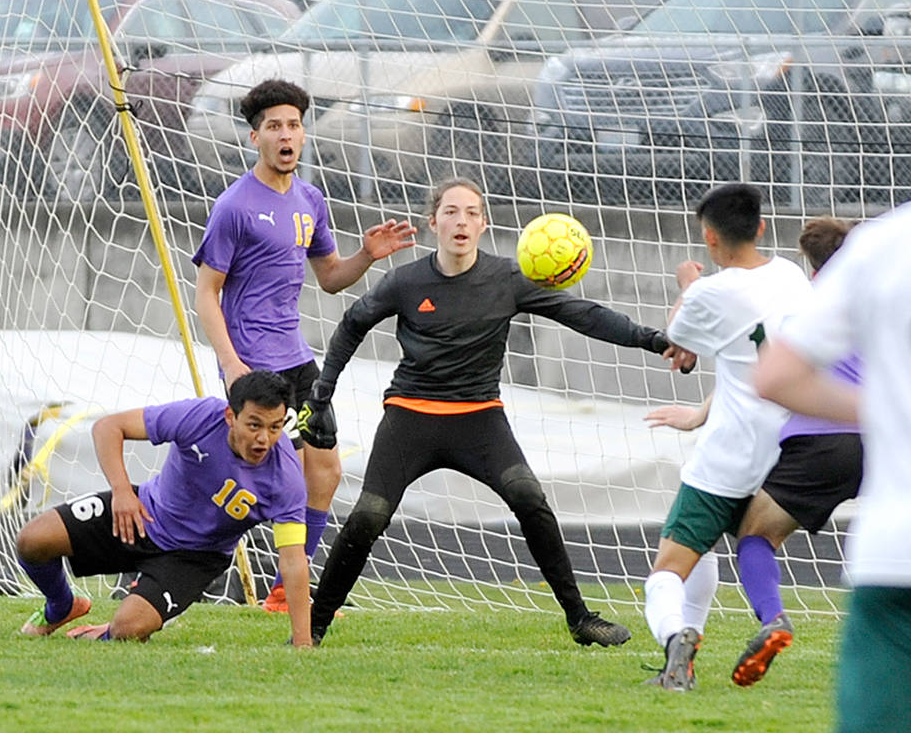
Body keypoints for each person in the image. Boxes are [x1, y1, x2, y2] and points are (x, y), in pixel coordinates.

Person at [298, 177, 690, 647]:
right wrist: (321, 396)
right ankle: (312, 628)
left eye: (471, 212)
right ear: (433, 222)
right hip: (409, 416)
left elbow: (584, 314)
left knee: (529, 498)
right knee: (369, 514)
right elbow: (351, 324)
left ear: (484, 224)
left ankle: (580, 618)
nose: (460, 221)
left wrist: (654, 339)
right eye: (450, 212)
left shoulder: (507, 278)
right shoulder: (406, 280)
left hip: (479, 418)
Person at [192, 78, 416, 613]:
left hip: (298, 362)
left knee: (325, 470)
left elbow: (331, 277)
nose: (286, 135)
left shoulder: (310, 199)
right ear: (255, 138)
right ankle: (162, 559)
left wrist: (366, 255)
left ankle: (280, 590)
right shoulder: (234, 206)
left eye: (294, 125)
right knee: (244, 479)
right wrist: (229, 364)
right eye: (274, 127)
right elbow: (206, 293)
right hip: (253, 367)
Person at [645, 217, 862, 688]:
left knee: (753, 538)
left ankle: (767, 621)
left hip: (814, 441)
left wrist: (689, 286)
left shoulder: (805, 297)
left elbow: (761, 369)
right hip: (887, 438)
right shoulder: (886, 298)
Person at [754, 209, 911, 733]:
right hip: (860, 471)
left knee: (754, 530)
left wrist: (892, 413)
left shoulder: (882, 244)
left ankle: (771, 616)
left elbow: (774, 377)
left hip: (895, 554)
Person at [13, 370, 314, 645]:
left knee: (127, 630)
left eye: (275, 428)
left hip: (195, 558)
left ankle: (111, 629)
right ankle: (61, 606)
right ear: (229, 416)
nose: (264, 439)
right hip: (142, 513)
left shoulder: (286, 479)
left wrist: (302, 644)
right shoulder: (199, 417)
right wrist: (122, 492)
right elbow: (108, 427)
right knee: (32, 540)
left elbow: (293, 561)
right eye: (254, 425)